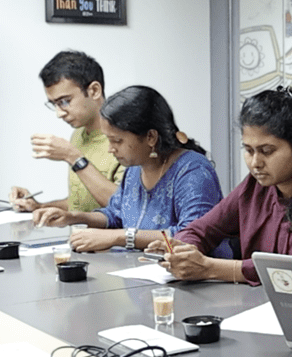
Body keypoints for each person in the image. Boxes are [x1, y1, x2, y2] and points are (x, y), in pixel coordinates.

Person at [152, 88, 292, 284]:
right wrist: (183, 250)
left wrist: (210, 268)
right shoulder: (255, 185)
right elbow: (201, 229)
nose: (255, 163)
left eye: (267, 151)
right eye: (248, 150)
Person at [35, 86, 223, 253]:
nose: (111, 149)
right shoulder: (134, 170)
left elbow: (190, 235)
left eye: (117, 141)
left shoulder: (193, 172)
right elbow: (115, 214)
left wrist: (119, 237)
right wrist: (73, 217)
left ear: (150, 137)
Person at [8, 50, 123, 214]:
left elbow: (125, 206)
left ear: (95, 91)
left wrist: (74, 157)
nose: (59, 113)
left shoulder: (126, 138)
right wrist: (39, 206)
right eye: (54, 104)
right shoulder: (78, 135)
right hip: (79, 236)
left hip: (112, 238)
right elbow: (81, 204)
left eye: (65, 101)